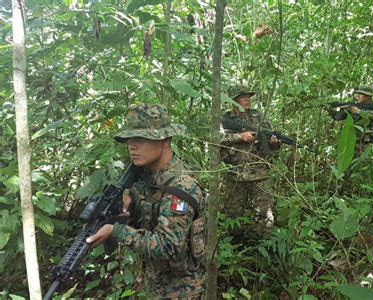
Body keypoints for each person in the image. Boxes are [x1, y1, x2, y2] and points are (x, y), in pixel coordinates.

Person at [86, 103, 206, 299]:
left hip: (182, 290)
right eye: (130, 139)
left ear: (166, 140)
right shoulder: (147, 177)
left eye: (141, 139)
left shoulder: (181, 186)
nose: (132, 146)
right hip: (155, 282)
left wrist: (116, 230)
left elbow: (168, 246)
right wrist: (130, 197)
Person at [219, 85, 281, 241]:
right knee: (232, 215)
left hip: (260, 174)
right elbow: (214, 139)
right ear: (233, 100)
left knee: (264, 216)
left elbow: (269, 145)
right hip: (235, 174)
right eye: (243, 96)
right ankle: (234, 249)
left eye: (249, 96)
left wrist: (274, 143)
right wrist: (240, 137)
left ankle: (263, 249)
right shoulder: (225, 119)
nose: (248, 99)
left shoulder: (259, 117)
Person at [328, 86, 373, 154]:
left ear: (368, 96)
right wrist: (330, 111)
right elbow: (338, 117)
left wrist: (359, 111)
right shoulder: (354, 106)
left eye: (361, 94)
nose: (358, 96)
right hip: (353, 141)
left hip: (369, 142)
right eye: (357, 94)